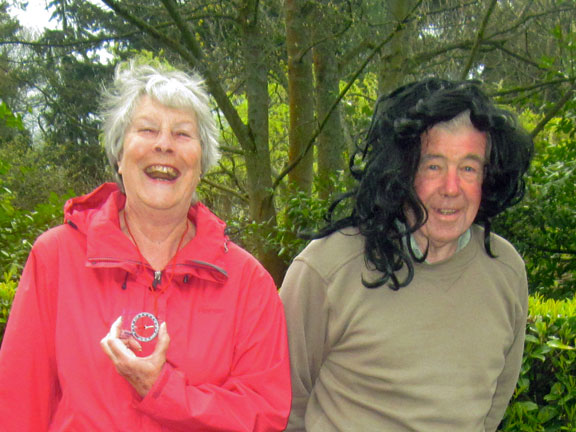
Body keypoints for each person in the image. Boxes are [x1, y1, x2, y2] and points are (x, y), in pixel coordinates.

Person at [0, 60, 291, 431]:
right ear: (119, 156)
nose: (164, 145)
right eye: (148, 129)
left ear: (201, 164)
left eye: (183, 134)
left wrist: (164, 390)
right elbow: (18, 407)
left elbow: (265, 416)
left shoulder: (247, 282)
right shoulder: (56, 258)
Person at [280, 78, 533, 431]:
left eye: (468, 168)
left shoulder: (505, 271)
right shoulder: (327, 268)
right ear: (400, 170)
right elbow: (279, 407)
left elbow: (491, 410)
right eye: (434, 165)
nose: (451, 188)